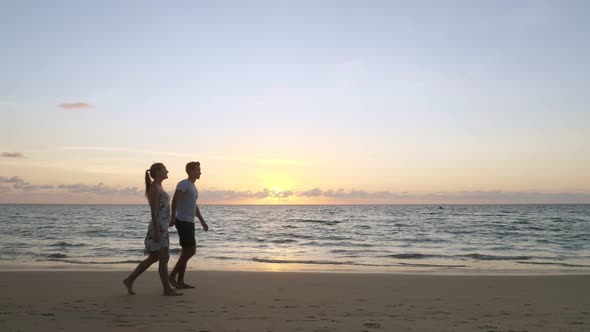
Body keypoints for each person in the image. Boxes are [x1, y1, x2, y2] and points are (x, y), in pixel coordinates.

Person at [123, 163, 182, 296]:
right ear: (158, 172)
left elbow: (161, 209)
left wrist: (170, 219)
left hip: (162, 226)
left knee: (154, 257)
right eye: (165, 169)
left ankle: (129, 279)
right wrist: (156, 231)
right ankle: (167, 289)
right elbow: (154, 212)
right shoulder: (155, 188)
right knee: (163, 257)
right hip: (158, 228)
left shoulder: (159, 187)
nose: (168, 171)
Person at [169, 161, 209, 289]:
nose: (200, 172)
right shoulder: (183, 184)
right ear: (190, 170)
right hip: (183, 221)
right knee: (191, 251)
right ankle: (172, 276)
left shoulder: (193, 186)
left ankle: (180, 281)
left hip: (190, 221)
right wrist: (173, 217)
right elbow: (174, 200)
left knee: (186, 252)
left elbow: (194, 206)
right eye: (198, 169)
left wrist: (201, 221)